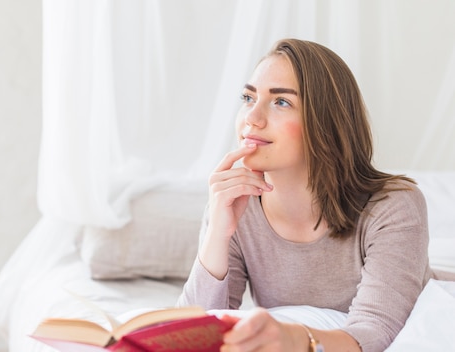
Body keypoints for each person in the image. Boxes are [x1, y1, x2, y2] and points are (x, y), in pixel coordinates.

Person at [176, 38, 435, 352]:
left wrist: (297, 339)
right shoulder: (235, 205)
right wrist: (218, 233)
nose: (252, 119)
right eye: (248, 97)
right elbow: (191, 333)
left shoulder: (394, 206)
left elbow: (376, 332)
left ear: (326, 122)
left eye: (281, 102)